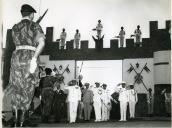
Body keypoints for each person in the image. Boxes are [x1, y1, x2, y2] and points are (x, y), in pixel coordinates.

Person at [4, 4, 45, 127]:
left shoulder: (15, 27)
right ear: (32, 15)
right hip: (29, 58)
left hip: (16, 58)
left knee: (17, 90)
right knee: (27, 90)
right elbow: (41, 43)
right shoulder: (35, 25)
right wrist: (34, 58)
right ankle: (21, 123)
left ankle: (16, 122)